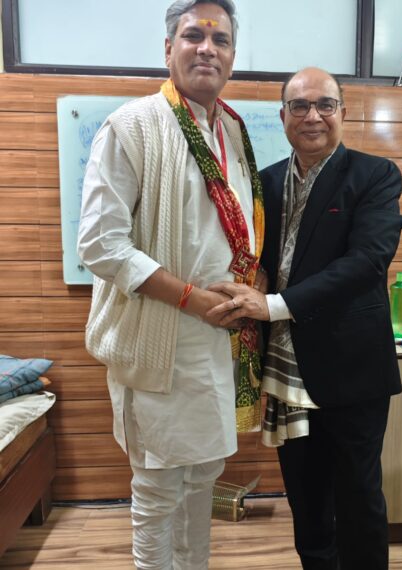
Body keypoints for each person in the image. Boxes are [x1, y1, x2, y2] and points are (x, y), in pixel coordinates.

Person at [77, 1, 265, 568]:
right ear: (168, 49)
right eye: (193, 36)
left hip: (219, 342)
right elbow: (100, 245)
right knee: (158, 491)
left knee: (203, 479)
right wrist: (193, 299)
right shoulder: (131, 126)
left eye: (220, 39)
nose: (207, 48)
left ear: (233, 56)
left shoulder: (232, 129)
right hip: (160, 340)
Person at [208, 67, 402, 569]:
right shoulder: (266, 182)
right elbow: (258, 257)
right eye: (299, 106)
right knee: (305, 497)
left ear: (343, 112)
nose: (312, 116)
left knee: (358, 496)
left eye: (324, 105)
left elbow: (367, 262)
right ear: (283, 117)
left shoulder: (375, 175)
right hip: (286, 370)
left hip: (353, 372)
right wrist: (251, 280)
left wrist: (272, 305)